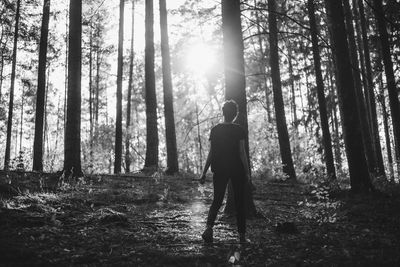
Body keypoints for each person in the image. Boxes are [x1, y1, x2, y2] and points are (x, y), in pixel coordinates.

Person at [199, 100, 250, 244]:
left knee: (217, 200)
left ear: (223, 112)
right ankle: (242, 237)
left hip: (219, 169)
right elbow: (241, 152)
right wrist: (247, 173)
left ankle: (208, 229)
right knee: (240, 202)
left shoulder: (215, 130)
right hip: (237, 169)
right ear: (235, 114)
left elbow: (212, 152)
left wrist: (204, 173)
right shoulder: (239, 130)